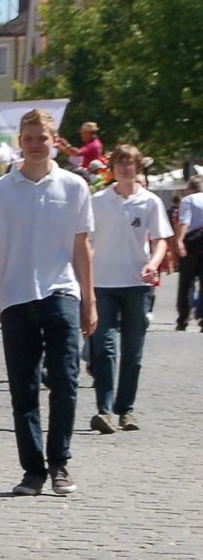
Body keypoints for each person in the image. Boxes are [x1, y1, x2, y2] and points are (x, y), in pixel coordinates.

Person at [0, 109, 96, 497]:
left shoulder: (74, 186)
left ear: (53, 139)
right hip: (15, 295)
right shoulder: (0, 191)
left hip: (61, 291)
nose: (35, 145)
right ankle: (33, 470)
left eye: (42, 137)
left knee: (65, 379)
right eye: (28, 138)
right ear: (20, 141)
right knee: (23, 388)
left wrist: (89, 300)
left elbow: (82, 248)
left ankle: (59, 462)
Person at [85, 145, 169, 434]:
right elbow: (85, 238)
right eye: (119, 163)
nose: (124, 168)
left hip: (137, 284)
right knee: (104, 348)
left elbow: (160, 240)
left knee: (133, 351)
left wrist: (154, 264)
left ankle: (126, 410)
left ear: (137, 167)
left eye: (129, 163)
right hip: (103, 283)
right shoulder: (97, 200)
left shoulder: (150, 202)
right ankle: (104, 410)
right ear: (112, 167)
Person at [174, 177, 203, 331]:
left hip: (193, 241)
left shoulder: (188, 200)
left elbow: (185, 220)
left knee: (186, 282)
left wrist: (179, 240)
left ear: (189, 188)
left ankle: (183, 319)